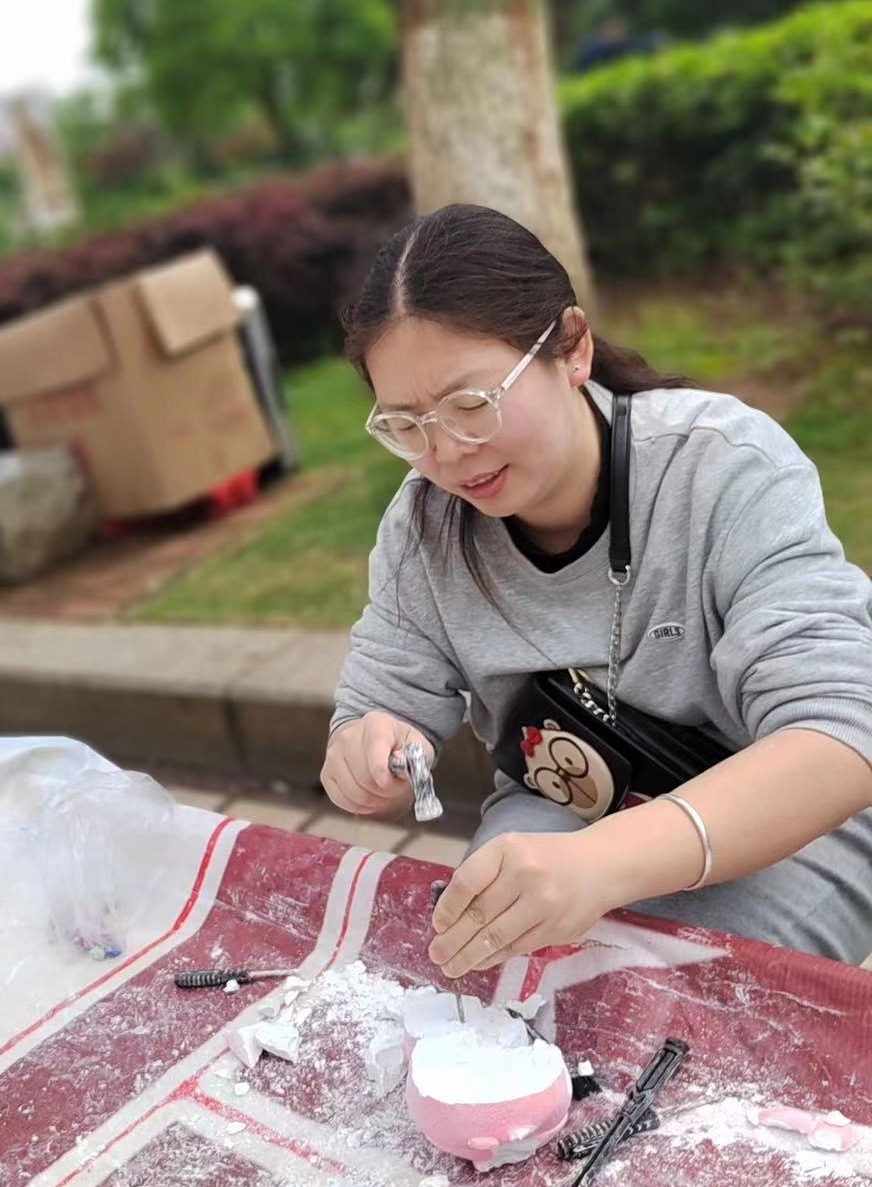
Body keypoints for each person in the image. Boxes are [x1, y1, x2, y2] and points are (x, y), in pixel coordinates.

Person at [322, 203, 872, 975]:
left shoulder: (720, 467)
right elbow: (376, 711)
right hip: (568, 809)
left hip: (782, 822)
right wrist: (366, 750)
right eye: (405, 425)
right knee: (489, 993)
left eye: (471, 405)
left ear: (572, 347)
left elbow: (842, 733)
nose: (445, 453)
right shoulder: (424, 529)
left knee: (683, 1012)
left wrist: (606, 862)